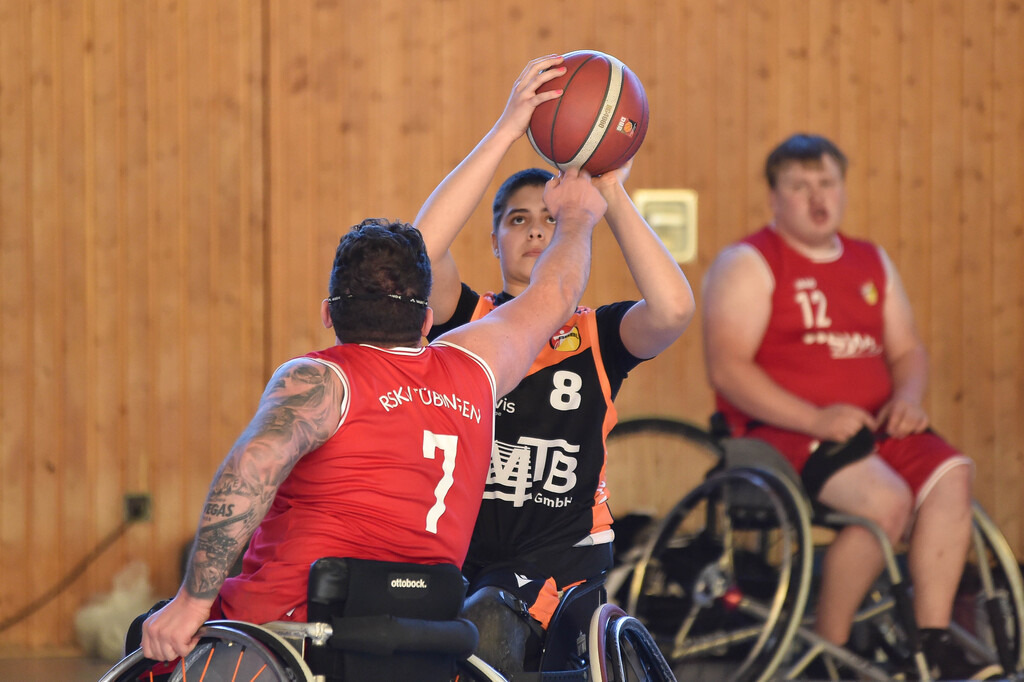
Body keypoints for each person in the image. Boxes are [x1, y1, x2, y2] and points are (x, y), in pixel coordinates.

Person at [139, 167, 608, 663]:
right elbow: (557, 292)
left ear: (328, 313)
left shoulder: (319, 380)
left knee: (150, 637)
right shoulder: (476, 369)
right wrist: (578, 216)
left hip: (287, 639)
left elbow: (251, 468)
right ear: (426, 319)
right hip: (421, 642)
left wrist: (191, 603)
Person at [413, 54, 695, 672]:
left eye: (550, 217)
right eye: (518, 220)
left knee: (490, 624)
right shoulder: (468, 319)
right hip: (460, 552)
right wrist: (506, 130)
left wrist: (608, 192)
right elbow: (421, 249)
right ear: (494, 241)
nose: (538, 231)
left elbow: (674, 309)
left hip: (560, 564)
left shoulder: (596, 334)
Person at [702, 133, 988, 680]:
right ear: (774, 198)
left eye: (827, 183)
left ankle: (929, 645)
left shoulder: (870, 260)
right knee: (886, 503)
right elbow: (728, 369)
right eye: (800, 186)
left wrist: (908, 399)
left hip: (875, 425)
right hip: (784, 429)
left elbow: (907, 351)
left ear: (843, 189)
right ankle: (828, 653)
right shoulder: (750, 261)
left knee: (953, 474)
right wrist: (814, 418)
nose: (817, 197)